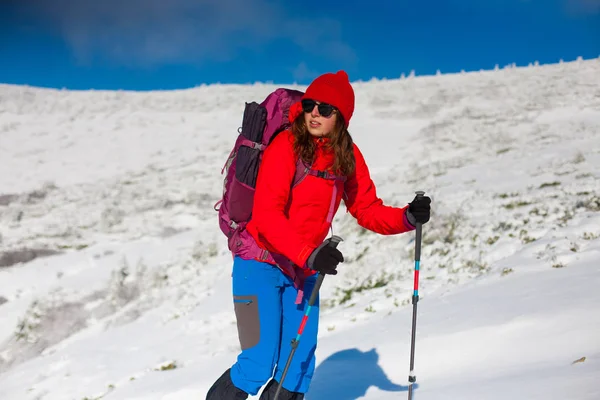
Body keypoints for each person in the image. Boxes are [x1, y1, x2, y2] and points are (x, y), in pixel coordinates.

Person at [206, 70, 431, 400]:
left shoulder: (348, 156)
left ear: (341, 117)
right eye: (310, 105)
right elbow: (267, 215)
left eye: (325, 109)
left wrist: (407, 217)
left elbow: (366, 207)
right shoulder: (286, 146)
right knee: (257, 362)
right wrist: (309, 254)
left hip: (305, 271)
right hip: (258, 262)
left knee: (296, 369)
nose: (314, 113)